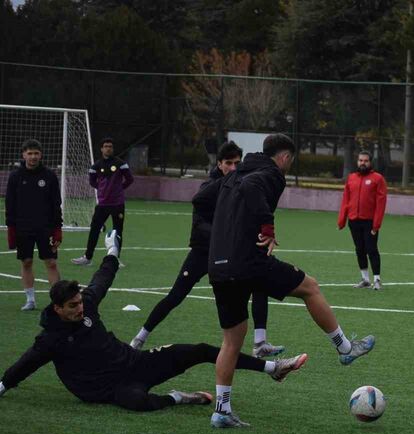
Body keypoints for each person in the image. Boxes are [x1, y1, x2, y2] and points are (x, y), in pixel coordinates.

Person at [0, 230, 307, 413]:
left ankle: (272, 368)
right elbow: (26, 363)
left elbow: (102, 279)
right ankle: (179, 398)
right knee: (138, 403)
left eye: (80, 302)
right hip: (107, 391)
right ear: (57, 309)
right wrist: (3, 384)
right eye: (72, 306)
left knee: (198, 350)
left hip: (136, 363)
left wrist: (111, 251)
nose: (80, 308)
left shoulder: (87, 304)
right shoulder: (50, 339)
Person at [195, 133, 375, 429]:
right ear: (285, 157)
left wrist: (224, 229)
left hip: (218, 265)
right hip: (247, 262)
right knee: (310, 287)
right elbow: (254, 189)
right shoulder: (270, 174)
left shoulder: (232, 175)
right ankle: (345, 348)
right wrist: (266, 224)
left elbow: (200, 199)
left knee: (231, 340)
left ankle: (222, 411)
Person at [130, 142, 284, 358]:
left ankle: (260, 343)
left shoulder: (241, 183)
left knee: (259, 283)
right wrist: (224, 237)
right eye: (228, 163)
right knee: (176, 295)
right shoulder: (210, 187)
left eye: (237, 163)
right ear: (219, 164)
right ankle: (140, 337)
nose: (233, 167)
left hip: (231, 255)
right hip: (204, 252)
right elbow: (199, 224)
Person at [4, 139, 62, 311]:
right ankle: (30, 300)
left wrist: (57, 229)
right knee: (26, 262)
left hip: (46, 227)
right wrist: (11, 229)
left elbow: (56, 204)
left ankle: (57, 302)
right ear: (23, 155)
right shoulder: (15, 176)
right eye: (29, 153)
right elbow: (10, 204)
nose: (33, 156)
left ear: (41, 155)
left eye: (36, 153)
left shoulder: (49, 176)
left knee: (51, 262)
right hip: (23, 228)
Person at [72, 138, 133, 266]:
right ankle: (87, 258)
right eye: (105, 146)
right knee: (94, 229)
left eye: (110, 146)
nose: (108, 148)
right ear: (101, 149)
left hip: (117, 204)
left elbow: (129, 179)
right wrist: (101, 189)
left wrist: (119, 189)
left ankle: (115, 259)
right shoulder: (96, 166)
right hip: (103, 204)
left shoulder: (120, 163)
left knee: (117, 231)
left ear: (113, 148)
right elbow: (92, 181)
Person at [337, 151, 387, 290]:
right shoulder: (351, 178)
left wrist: (376, 224)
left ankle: (377, 279)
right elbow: (345, 200)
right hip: (354, 220)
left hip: (370, 222)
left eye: (365, 161)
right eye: (360, 160)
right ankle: (365, 279)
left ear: (370, 162)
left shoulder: (378, 179)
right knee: (359, 249)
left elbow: (381, 203)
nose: (362, 163)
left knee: (371, 249)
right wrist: (342, 220)